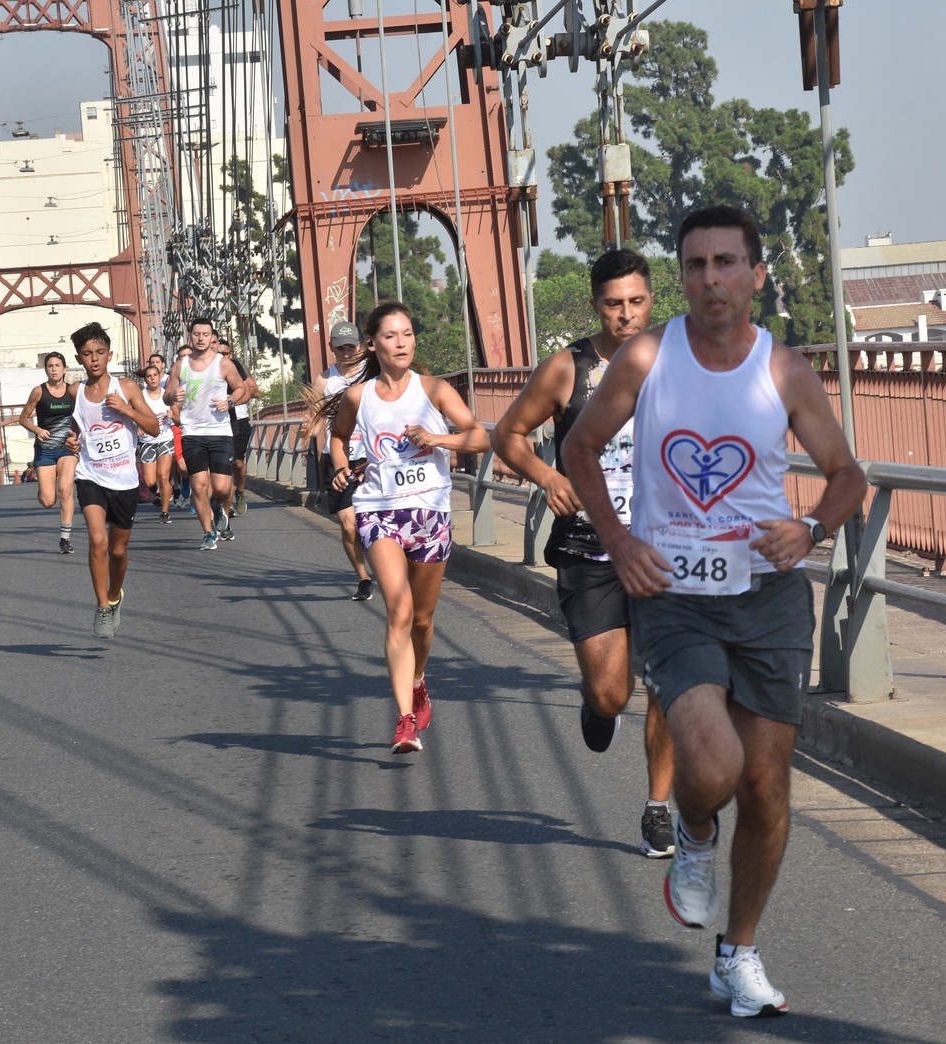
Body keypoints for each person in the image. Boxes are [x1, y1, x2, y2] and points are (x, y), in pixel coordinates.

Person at [562, 206, 866, 1018]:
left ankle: (738, 954)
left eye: (726, 263)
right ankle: (694, 830)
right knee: (712, 768)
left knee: (766, 786)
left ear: (755, 275)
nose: (710, 279)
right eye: (695, 265)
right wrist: (620, 541)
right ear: (683, 277)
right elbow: (578, 448)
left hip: (766, 599)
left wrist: (808, 528)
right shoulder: (648, 356)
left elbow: (845, 476)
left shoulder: (784, 370)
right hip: (676, 599)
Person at [493, 248, 677, 858]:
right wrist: (548, 478)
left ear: (652, 301)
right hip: (589, 549)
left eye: (636, 302)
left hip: (664, 549)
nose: (626, 315)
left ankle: (658, 807)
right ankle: (597, 707)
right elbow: (508, 434)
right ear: (596, 305)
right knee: (610, 694)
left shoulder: (680, 361)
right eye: (613, 305)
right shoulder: (568, 369)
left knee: (669, 683)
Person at [328, 301, 489, 754]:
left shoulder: (433, 389)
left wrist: (437, 438)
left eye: (408, 334)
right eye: (391, 336)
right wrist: (341, 467)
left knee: (422, 618)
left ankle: (419, 679)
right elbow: (338, 438)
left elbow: (479, 436)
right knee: (398, 610)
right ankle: (403, 722)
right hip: (378, 510)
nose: (402, 343)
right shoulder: (359, 397)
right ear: (372, 344)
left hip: (429, 515)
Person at [62, 321, 159, 639]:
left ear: (109, 354)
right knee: (97, 541)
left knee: (118, 551)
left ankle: (115, 594)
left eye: (100, 352)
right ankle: (102, 605)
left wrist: (128, 411)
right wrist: (72, 441)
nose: (94, 359)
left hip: (125, 480)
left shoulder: (126, 388)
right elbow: (77, 429)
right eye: (87, 354)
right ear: (79, 358)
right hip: (90, 476)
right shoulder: (76, 393)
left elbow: (154, 427)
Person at [165, 317, 250, 550]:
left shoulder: (223, 364)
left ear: (212, 337)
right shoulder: (180, 365)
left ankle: (217, 506)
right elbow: (166, 396)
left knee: (222, 488)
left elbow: (242, 387)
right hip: (192, 433)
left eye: (205, 334)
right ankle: (208, 533)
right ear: (190, 336)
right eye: (196, 334)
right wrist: (174, 397)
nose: (201, 338)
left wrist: (230, 402)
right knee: (199, 486)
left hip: (221, 433)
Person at [311, 319, 374, 601]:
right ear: (331, 348)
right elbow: (314, 419)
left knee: (374, 520)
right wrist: (310, 442)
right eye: (341, 349)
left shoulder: (374, 373)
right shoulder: (325, 380)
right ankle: (363, 578)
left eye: (351, 348)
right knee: (349, 525)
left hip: (372, 455)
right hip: (338, 459)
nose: (346, 354)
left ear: (360, 346)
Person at [18, 351, 79, 553]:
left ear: (64, 369)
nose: (54, 369)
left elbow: (84, 417)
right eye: (50, 366)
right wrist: (36, 430)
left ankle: (65, 538)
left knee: (66, 490)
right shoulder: (39, 392)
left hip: (66, 449)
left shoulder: (73, 392)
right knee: (48, 500)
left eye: (57, 365)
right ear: (46, 370)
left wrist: (77, 437)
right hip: (45, 450)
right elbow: (23, 418)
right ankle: (44, 488)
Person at [217, 338, 261, 519]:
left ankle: (240, 492)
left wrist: (233, 399)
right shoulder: (206, 369)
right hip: (217, 422)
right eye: (219, 353)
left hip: (239, 419)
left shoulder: (237, 367)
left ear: (231, 354)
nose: (222, 357)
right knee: (221, 466)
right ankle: (223, 506)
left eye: (225, 353)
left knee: (237, 462)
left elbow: (255, 392)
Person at [134, 361, 176, 522]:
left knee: (163, 476)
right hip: (146, 441)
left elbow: (178, 418)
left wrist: (173, 416)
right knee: (150, 481)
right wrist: (138, 425)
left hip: (165, 438)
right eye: (149, 376)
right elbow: (132, 414)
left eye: (155, 375)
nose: (152, 379)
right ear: (145, 379)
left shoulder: (167, 395)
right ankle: (157, 492)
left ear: (160, 377)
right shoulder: (140, 396)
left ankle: (165, 512)